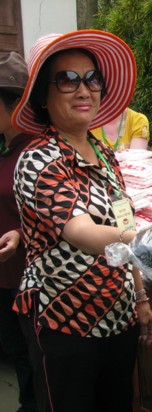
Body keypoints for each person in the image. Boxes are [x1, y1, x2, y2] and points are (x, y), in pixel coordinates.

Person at [10, 30, 152, 412]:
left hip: (118, 319)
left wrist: (140, 297)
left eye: (92, 79)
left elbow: (123, 220)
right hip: (64, 323)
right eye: (67, 80)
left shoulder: (105, 154)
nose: (83, 90)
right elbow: (82, 231)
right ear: (42, 96)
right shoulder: (38, 159)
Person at [0, 51, 37, 412]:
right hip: (4, 274)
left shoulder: (36, 152)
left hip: (28, 275)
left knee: (31, 356)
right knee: (14, 349)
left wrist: (21, 234)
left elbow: (59, 214)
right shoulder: (5, 146)